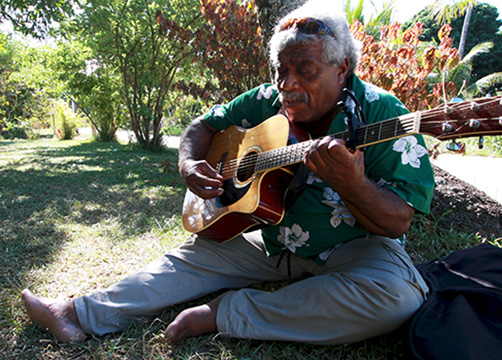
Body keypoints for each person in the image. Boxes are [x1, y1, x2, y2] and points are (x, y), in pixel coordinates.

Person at [22, 1, 434, 345]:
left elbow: (397, 221)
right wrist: (188, 164)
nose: (288, 85)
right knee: (189, 260)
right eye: (281, 69)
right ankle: (77, 313)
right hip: (272, 237)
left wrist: (353, 185)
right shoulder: (266, 99)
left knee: (397, 297)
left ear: (342, 68)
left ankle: (227, 312)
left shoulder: (385, 114)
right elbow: (203, 126)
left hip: (351, 247)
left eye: (305, 70)